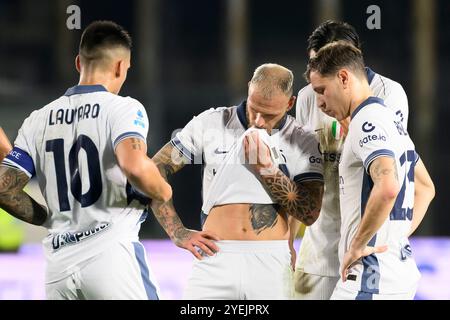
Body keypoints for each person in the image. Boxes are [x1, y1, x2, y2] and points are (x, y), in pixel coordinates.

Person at [0, 21, 176, 300]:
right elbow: (134, 165)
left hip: (58, 270)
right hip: (111, 259)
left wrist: (49, 219)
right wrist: (163, 190)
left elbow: (4, 189)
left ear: (78, 63)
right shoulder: (124, 109)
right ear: (121, 66)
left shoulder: (38, 119)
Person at [151, 63, 324, 299]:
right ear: (248, 89)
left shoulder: (302, 139)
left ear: (290, 103)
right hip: (214, 258)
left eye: (270, 115)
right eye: (255, 109)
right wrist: (177, 232)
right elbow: (155, 168)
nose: (259, 122)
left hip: (271, 263)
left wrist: (267, 169)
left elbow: (310, 212)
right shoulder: (211, 123)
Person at [291, 20, 435, 300]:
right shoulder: (312, 98)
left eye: (322, 86)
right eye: (313, 69)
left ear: (345, 70)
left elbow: (392, 183)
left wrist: (386, 239)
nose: (317, 96)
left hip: (367, 264)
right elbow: (302, 177)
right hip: (321, 255)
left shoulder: (382, 102)